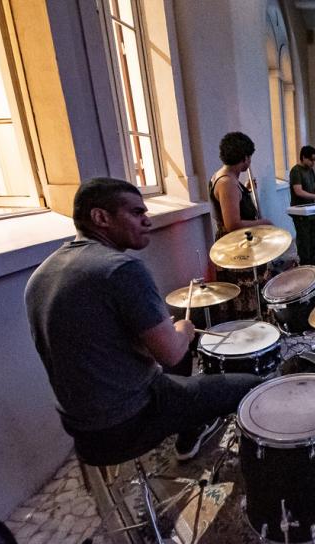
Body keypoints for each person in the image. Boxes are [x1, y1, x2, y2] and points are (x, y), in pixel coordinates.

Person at [25, 178, 263, 465]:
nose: (147, 221)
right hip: (129, 420)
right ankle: (256, 471)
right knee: (252, 385)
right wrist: (183, 330)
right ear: (100, 218)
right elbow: (171, 353)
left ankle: (191, 428)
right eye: (136, 213)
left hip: (81, 426)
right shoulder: (120, 269)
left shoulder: (41, 274)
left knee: (180, 367)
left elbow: (94, 344)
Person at [208, 132, 273, 318]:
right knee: (245, 295)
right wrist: (264, 223)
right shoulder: (227, 182)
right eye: (249, 158)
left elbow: (233, 205)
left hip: (238, 244)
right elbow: (233, 224)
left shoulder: (227, 178)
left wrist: (246, 190)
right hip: (236, 247)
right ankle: (251, 326)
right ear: (244, 158)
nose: (250, 162)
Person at [289, 145, 315, 265]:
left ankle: (314, 262)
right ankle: (305, 263)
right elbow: (298, 191)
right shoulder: (296, 171)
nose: (313, 163)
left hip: (311, 209)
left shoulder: (310, 170)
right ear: (303, 157)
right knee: (304, 239)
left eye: (314, 160)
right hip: (300, 211)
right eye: (311, 160)